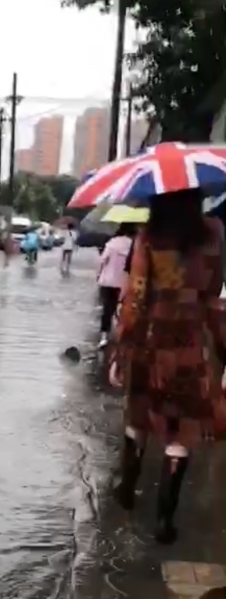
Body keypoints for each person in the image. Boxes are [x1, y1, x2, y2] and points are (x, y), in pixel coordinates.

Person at [110, 189, 226, 544]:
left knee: (138, 419)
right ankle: (165, 520)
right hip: (190, 345)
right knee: (180, 433)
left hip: (148, 343)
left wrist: (119, 347)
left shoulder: (149, 236)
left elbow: (136, 297)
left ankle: (127, 488)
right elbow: (216, 289)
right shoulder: (214, 233)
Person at [96, 223, 136, 349]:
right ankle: (121, 333)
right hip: (125, 282)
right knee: (124, 308)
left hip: (108, 281)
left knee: (107, 309)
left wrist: (98, 275)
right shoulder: (134, 245)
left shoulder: (112, 243)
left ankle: (104, 337)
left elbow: (102, 261)